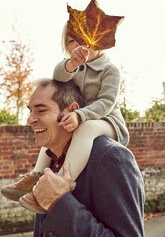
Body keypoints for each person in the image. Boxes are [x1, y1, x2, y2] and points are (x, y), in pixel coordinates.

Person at [1, 22, 130, 213]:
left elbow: (107, 102)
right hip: (79, 118)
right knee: (53, 128)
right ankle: (36, 175)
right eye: (72, 41)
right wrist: (71, 64)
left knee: (86, 128)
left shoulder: (110, 70)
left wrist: (81, 114)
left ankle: (61, 182)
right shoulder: (71, 68)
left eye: (85, 39)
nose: (78, 45)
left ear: (100, 42)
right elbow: (57, 77)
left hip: (108, 122)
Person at [22, 78, 144, 236]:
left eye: (41, 110)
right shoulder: (52, 158)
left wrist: (58, 202)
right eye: (29, 111)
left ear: (72, 110)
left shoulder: (112, 157)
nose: (30, 120)